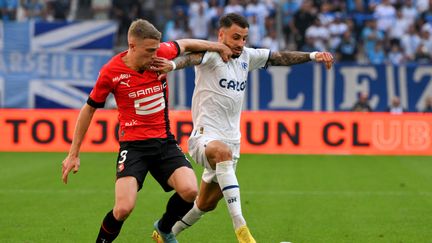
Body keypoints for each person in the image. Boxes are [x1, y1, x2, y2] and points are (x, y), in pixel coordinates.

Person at [151, 13, 334, 243]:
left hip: (232, 142)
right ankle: (242, 230)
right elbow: (191, 58)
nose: (240, 43)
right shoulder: (212, 54)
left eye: (244, 38)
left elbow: (280, 57)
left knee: (205, 204)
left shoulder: (248, 57)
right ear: (221, 35)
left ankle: (165, 233)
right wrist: (172, 64)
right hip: (204, 138)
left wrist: (313, 55)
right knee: (221, 153)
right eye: (235, 37)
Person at [61, 19, 232, 243]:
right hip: (133, 148)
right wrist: (74, 153)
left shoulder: (160, 52)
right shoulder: (111, 72)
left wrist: (217, 46)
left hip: (164, 142)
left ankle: (164, 227)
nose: (155, 56)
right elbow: (89, 109)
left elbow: (187, 43)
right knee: (123, 209)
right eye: (149, 51)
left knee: (190, 191)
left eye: (156, 50)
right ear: (132, 46)